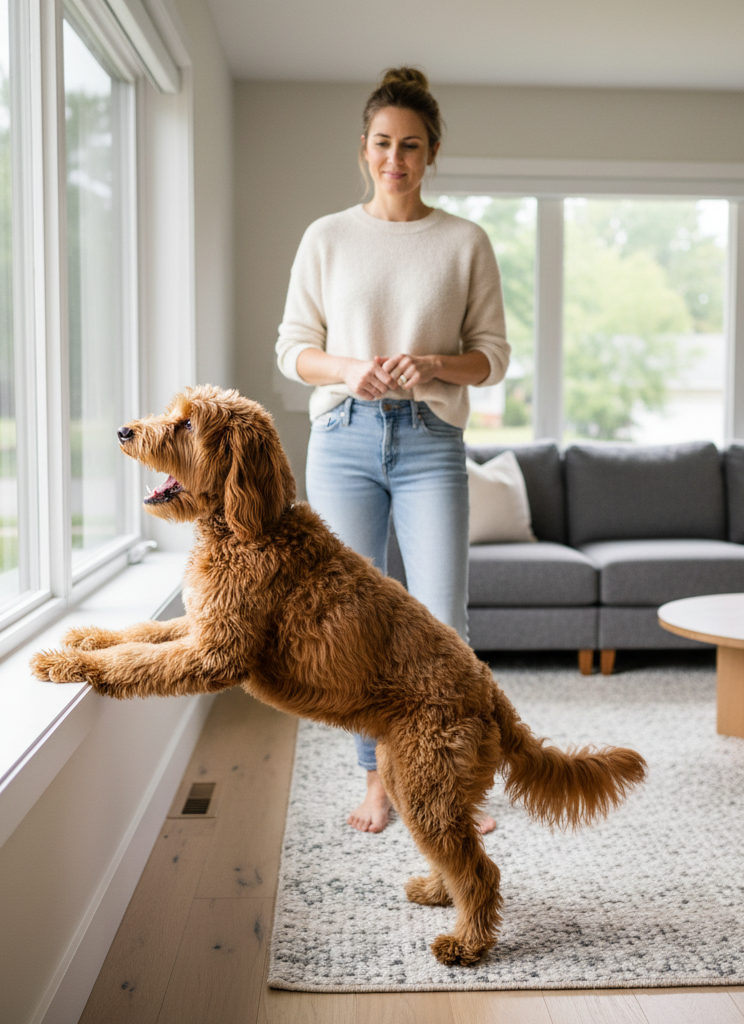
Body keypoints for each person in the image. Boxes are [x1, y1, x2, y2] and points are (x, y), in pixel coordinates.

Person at [275, 67, 510, 835]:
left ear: (432, 151)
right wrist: (350, 369)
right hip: (342, 440)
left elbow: (492, 358)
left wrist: (434, 365)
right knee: (354, 626)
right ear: (363, 150)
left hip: (430, 440)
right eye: (382, 144)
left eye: (411, 145)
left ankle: (452, 792)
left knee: (443, 621)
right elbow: (293, 350)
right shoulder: (327, 237)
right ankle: (378, 782)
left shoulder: (463, 242)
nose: (395, 159)